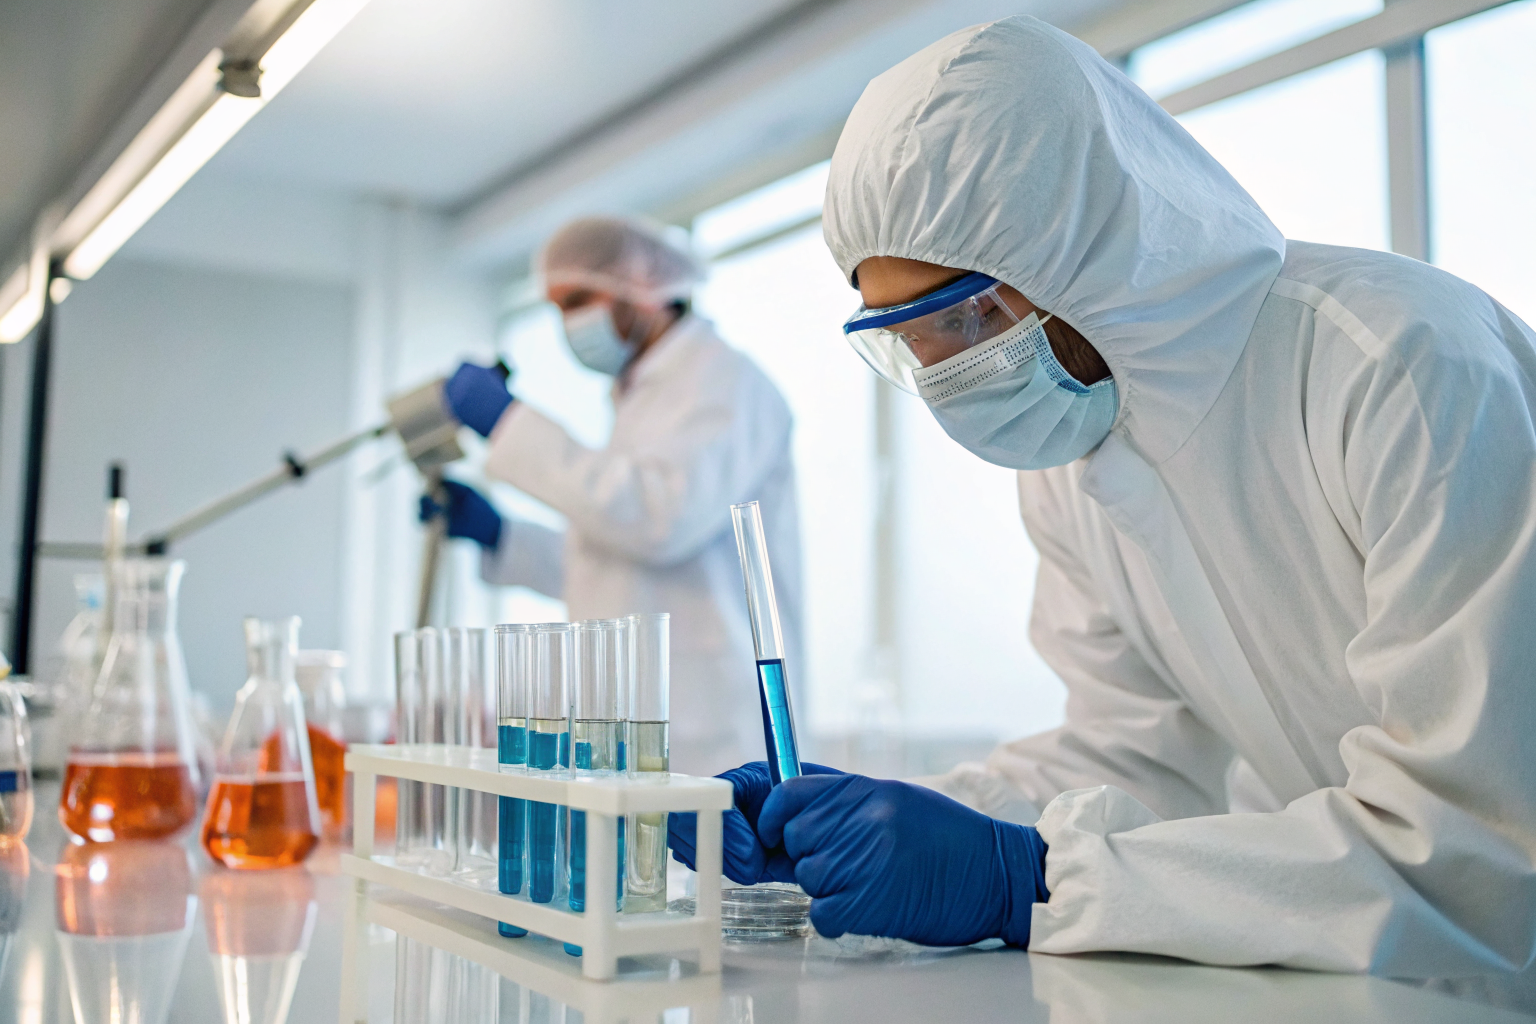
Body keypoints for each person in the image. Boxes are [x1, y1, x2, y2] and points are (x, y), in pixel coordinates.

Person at [670, 15, 1536, 978]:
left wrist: (1022, 878)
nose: (945, 372)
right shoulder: (1079, 459)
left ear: (1089, 251)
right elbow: (1142, 764)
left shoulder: (1398, 366)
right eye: (904, 338)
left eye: (963, 317)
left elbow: (1477, 852)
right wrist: (882, 817)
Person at [432, 216, 804, 777]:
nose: (568, 325)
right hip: (633, 725)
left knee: (710, 863)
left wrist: (510, 423)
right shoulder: (638, 399)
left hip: (711, 735)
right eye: (556, 307)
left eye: (580, 299)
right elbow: (613, 571)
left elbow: (661, 520)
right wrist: (502, 535)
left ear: (645, 286)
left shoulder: (726, 382)